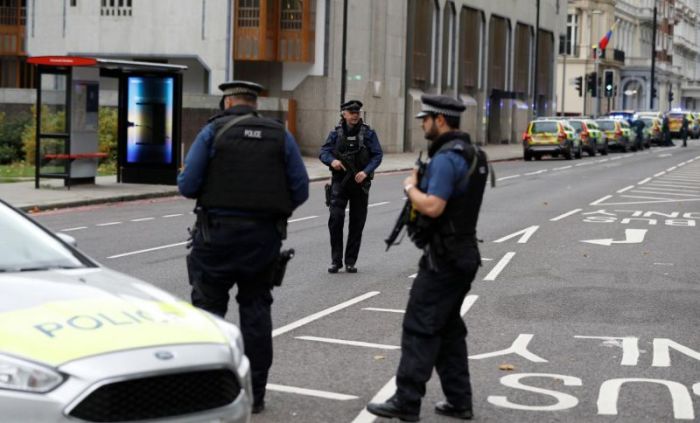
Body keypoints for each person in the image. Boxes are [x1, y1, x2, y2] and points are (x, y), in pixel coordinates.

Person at [178, 80, 309, 414]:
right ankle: (257, 394)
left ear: (227, 102)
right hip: (262, 241)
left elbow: (188, 185)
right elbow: (301, 189)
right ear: (255, 103)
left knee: (209, 315)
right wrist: (272, 213)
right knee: (256, 312)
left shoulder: (213, 133)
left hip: (215, 238)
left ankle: (208, 391)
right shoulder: (280, 135)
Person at [366, 94, 489, 422]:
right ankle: (460, 401)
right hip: (462, 255)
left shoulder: (448, 158)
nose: (422, 123)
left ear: (441, 120)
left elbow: (433, 205)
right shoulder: (472, 153)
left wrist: (410, 187)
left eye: (426, 118)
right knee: (448, 330)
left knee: (419, 327)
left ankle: (406, 402)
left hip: (444, 261)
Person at [319, 100, 383, 273]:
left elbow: (377, 155)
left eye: (357, 112)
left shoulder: (368, 133)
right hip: (340, 182)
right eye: (351, 112)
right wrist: (332, 161)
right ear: (343, 114)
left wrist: (366, 171)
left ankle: (350, 261)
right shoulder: (336, 133)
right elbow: (323, 151)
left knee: (357, 223)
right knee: (335, 219)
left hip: (360, 183)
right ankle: (335, 261)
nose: (355, 115)